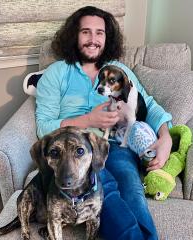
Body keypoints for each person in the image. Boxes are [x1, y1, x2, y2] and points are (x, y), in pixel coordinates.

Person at [35, 6, 172, 240]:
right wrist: (87, 120)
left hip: (115, 144)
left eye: (99, 33)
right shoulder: (56, 73)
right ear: (74, 36)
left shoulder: (120, 71)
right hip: (75, 150)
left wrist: (165, 137)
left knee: (132, 190)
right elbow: (43, 126)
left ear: (107, 38)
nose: (93, 40)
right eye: (85, 32)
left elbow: (148, 103)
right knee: (104, 188)